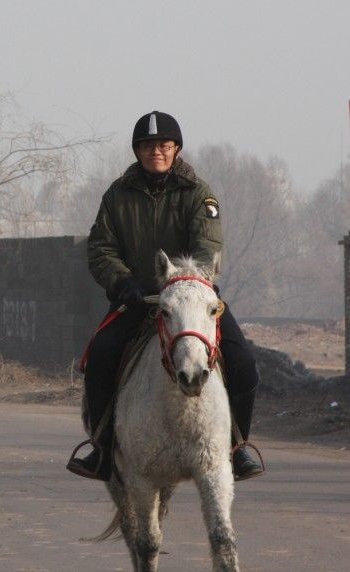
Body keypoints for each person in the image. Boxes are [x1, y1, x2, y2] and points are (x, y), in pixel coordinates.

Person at [66, 111, 264, 482]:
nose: (155, 151)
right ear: (138, 151)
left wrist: (181, 284)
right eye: (147, 145)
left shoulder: (199, 194)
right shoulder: (116, 195)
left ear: (176, 149)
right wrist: (123, 282)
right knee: (101, 358)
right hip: (136, 299)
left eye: (162, 144)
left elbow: (207, 249)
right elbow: (100, 249)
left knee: (243, 364)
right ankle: (103, 448)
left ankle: (237, 448)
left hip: (191, 301)